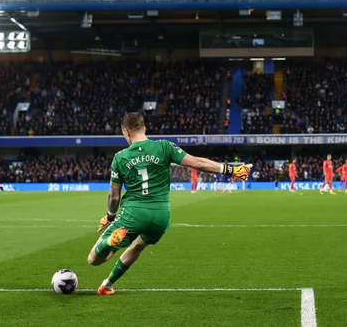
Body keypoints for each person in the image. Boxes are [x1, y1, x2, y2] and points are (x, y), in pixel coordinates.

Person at [87, 112, 252, 296]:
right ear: (144, 128)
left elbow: (114, 197)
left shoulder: (120, 157)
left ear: (126, 131)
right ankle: (107, 285)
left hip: (134, 214)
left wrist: (110, 216)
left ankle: (110, 241)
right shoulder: (165, 147)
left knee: (95, 258)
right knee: (137, 246)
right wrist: (232, 170)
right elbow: (198, 163)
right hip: (161, 216)